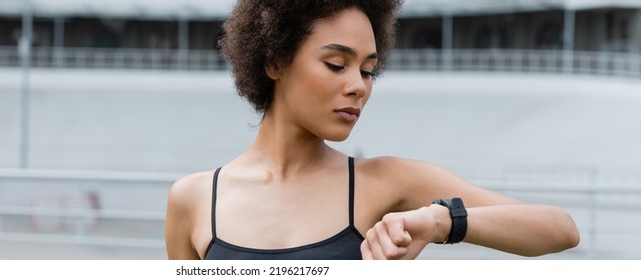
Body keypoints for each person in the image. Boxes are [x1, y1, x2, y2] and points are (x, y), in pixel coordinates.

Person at [165, 0, 580, 260]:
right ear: (273, 62)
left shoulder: (386, 181)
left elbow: (559, 229)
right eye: (336, 64)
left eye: (368, 70)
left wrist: (441, 222)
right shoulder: (193, 200)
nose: (358, 86)